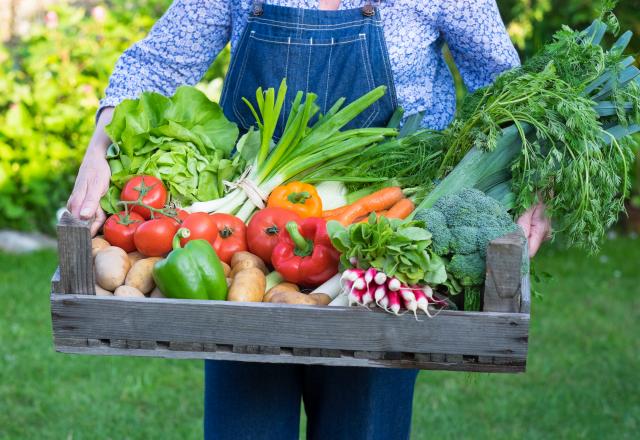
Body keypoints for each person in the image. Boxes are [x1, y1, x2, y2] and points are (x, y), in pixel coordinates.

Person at [68, 1, 551, 438]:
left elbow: (503, 82)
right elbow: (159, 61)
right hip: (253, 246)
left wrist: (535, 180)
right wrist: (99, 146)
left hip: (384, 251)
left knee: (363, 425)